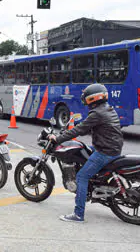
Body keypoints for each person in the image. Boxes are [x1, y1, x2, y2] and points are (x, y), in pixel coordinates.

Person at [48, 83, 123, 223]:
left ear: (92, 98)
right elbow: (93, 127)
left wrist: (57, 138)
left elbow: (79, 130)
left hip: (105, 151)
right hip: (111, 147)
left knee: (82, 177)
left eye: (86, 97)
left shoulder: (97, 113)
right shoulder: (107, 109)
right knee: (83, 150)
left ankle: (78, 214)